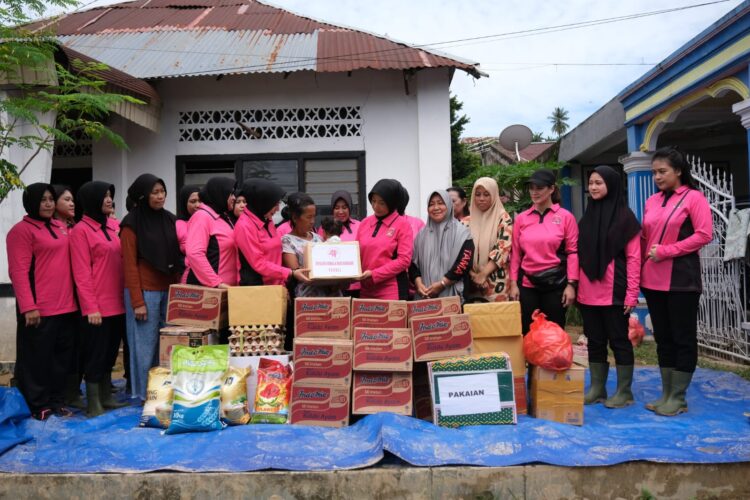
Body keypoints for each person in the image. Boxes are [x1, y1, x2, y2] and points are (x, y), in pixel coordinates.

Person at [640, 147, 712, 416]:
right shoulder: (652, 201)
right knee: (663, 339)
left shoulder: (694, 198)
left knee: (683, 338)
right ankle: (666, 393)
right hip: (653, 280)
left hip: (681, 280)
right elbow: (645, 238)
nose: (657, 177)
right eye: (654, 172)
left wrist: (667, 251)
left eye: (663, 171)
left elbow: (704, 234)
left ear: (678, 171)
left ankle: (679, 397)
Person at [7, 184, 78, 420]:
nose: (48, 204)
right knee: (37, 360)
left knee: (61, 360)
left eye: (50, 199)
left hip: (66, 306)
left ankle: (57, 401)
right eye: (43, 200)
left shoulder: (61, 227)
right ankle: (38, 404)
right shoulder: (21, 231)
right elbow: (18, 271)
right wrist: (29, 306)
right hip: (39, 309)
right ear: (32, 202)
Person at [577, 166, 641, 408]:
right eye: (591, 182)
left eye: (599, 183)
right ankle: (597, 388)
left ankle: (624, 391)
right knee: (595, 340)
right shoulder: (587, 218)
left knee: (619, 340)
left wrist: (632, 293)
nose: (593, 187)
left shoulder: (626, 219)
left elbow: (634, 258)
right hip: (588, 290)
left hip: (614, 290)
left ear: (611, 185)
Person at [120, 174, 182, 401]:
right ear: (143, 195)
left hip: (168, 290)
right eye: (154, 192)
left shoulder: (170, 219)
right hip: (144, 292)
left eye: (162, 191)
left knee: (166, 346)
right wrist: (137, 302)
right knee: (144, 347)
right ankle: (145, 394)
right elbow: (129, 265)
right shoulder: (131, 224)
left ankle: (164, 391)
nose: (160, 196)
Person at [70, 181, 128, 416]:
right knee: (95, 353)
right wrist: (90, 307)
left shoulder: (110, 228)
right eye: (103, 196)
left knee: (110, 352)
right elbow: (81, 273)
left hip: (117, 303)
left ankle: (106, 396)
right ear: (91, 199)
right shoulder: (80, 231)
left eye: (109, 196)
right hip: (97, 308)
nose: (109, 200)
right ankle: (93, 402)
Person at [508, 169, 579, 335]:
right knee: (528, 331)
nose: (534, 192)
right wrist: (513, 283)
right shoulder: (522, 218)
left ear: (551, 189)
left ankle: (553, 362)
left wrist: (571, 285)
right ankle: (530, 362)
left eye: (539, 188)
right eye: (531, 188)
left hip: (555, 284)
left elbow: (573, 252)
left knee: (554, 334)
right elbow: (516, 254)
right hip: (527, 284)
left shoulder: (565, 217)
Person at [235, 179, 310, 287]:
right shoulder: (244, 226)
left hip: (276, 286)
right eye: (274, 204)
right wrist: (290, 273)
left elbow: (276, 255)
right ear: (262, 202)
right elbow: (258, 263)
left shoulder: (267, 220)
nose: (278, 208)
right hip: (256, 289)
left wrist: (282, 282)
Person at [410, 190, 474, 300]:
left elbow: (464, 263)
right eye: (431, 204)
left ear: (448, 205)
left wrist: (443, 284)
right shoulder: (421, 235)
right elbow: (413, 264)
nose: (436, 208)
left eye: (440, 203)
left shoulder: (463, 233)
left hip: (453, 296)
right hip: (425, 297)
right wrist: (418, 283)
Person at [357, 179, 413, 300]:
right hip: (366, 288)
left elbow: (404, 260)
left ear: (392, 202)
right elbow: (355, 253)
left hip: (391, 288)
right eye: (373, 201)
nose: (376, 206)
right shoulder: (364, 223)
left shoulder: (403, 225)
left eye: (382, 203)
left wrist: (374, 274)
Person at [463, 177, 513, 303]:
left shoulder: (503, 218)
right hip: (471, 281)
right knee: (474, 320)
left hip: (496, 282)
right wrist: (474, 276)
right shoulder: (466, 222)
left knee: (496, 320)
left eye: (486, 194)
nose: (481, 199)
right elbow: (458, 252)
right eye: (477, 194)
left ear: (494, 195)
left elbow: (502, 249)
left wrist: (483, 274)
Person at [282, 193, 341, 298]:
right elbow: (297, 273)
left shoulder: (318, 238)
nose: (313, 221)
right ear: (295, 218)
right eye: (308, 217)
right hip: (309, 299)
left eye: (314, 216)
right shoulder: (287, 241)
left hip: (331, 295)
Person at [184, 177, 238, 288]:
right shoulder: (202, 216)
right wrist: (217, 283)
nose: (234, 198)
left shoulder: (224, 216)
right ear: (219, 193)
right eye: (230, 194)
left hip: (227, 290)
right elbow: (195, 254)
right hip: (209, 291)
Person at [318, 190, 361, 295]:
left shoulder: (360, 226)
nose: (341, 212)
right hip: (333, 284)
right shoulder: (324, 228)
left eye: (344, 207)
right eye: (337, 208)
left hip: (356, 283)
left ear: (350, 208)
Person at [175, 184, 200, 255]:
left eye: (200, 201)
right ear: (184, 203)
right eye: (193, 201)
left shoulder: (208, 221)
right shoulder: (177, 225)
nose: (198, 205)